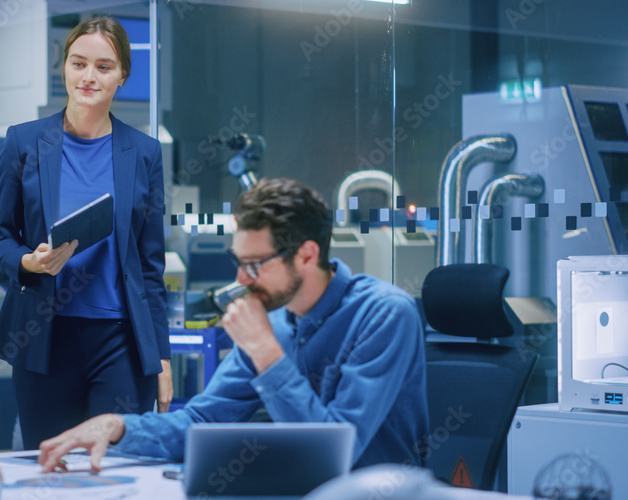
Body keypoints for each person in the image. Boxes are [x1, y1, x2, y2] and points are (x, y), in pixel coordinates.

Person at [38, 178, 429, 471]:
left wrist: (266, 354)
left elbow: (335, 454)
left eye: (255, 265)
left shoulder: (385, 314)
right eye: (238, 262)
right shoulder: (273, 319)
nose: (241, 280)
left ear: (307, 255)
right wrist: (118, 426)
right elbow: (203, 420)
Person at [0, 16, 172, 450]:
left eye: (104, 67)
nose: (89, 77)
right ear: (64, 67)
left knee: (118, 468)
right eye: (78, 63)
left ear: (123, 75)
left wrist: (161, 355)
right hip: (44, 339)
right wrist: (28, 262)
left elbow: (150, 267)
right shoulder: (23, 142)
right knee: (50, 468)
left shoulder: (144, 153)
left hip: (121, 344)